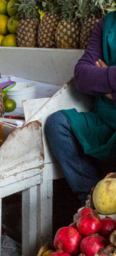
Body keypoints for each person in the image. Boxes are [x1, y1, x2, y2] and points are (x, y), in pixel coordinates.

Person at [45, 11, 116, 202]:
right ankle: (91, 200)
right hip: (105, 121)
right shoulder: (107, 24)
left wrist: (106, 82)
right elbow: (82, 77)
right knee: (57, 123)